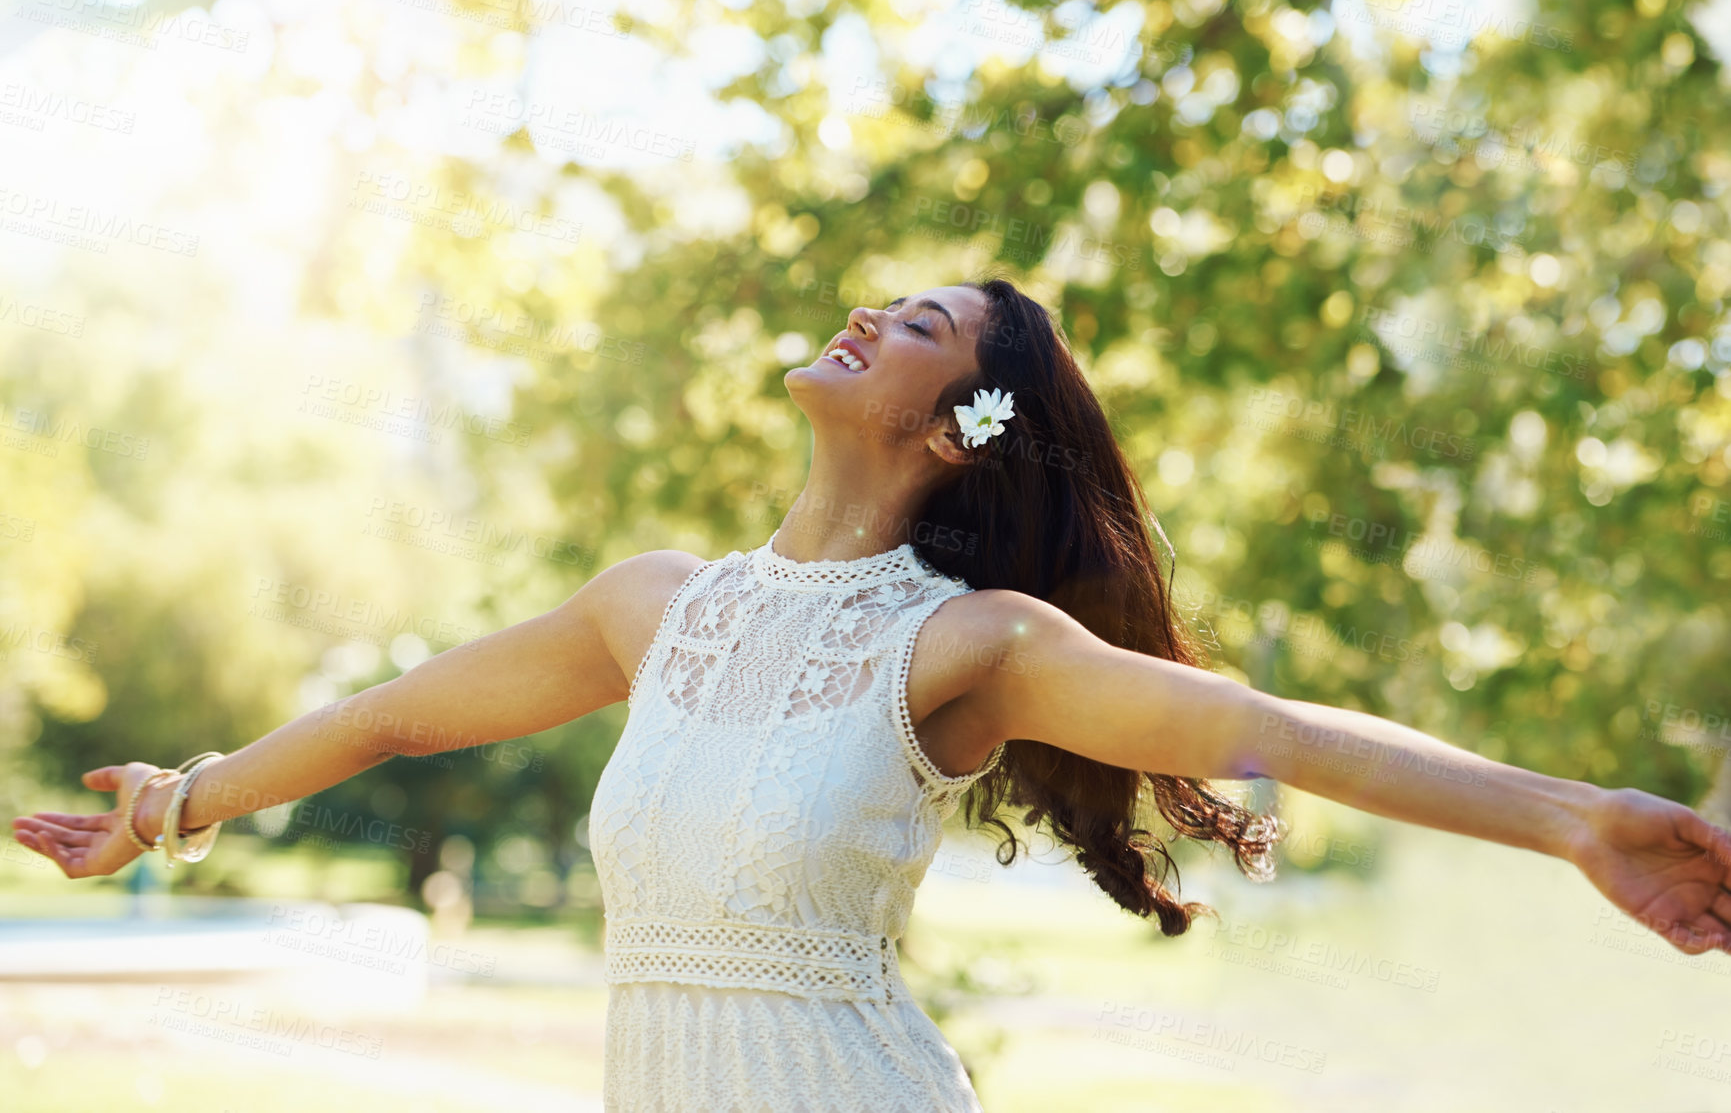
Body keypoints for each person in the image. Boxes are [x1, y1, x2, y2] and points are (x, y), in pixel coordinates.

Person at [13, 278, 1731, 1112]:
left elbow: (1264, 735)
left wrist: (1580, 820)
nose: (862, 312)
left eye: (913, 324)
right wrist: (180, 803)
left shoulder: (971, 645)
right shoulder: (652, 609)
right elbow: (391, 715)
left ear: (953, 425)